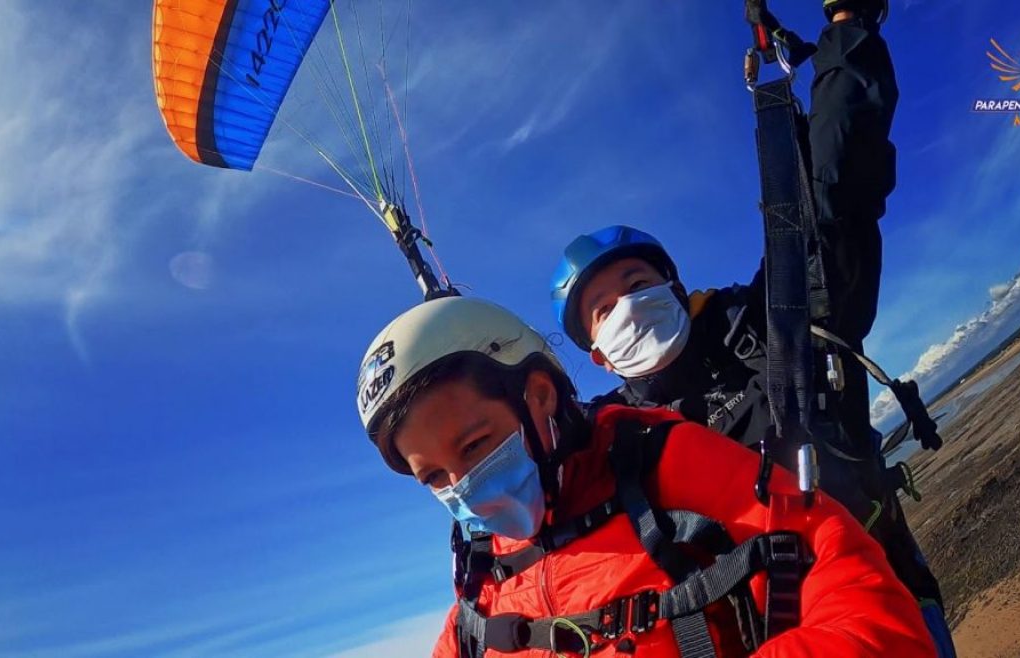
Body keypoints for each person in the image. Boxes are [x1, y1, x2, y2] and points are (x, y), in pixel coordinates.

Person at [549, 1, 957, 656]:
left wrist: (849, 32)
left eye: (637, 285)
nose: (627, 307)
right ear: (597, 356)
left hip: (881, 609)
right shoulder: (607, 450)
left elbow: (830, 197)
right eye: (603, 309)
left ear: (678, 292)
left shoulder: (774, 321)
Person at [355, 296, 936, 658]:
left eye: (475, 445)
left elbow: (866, 608)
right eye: (434, 477)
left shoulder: (661, 464)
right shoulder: (479, 584)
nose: (464, 484)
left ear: (537, 397)